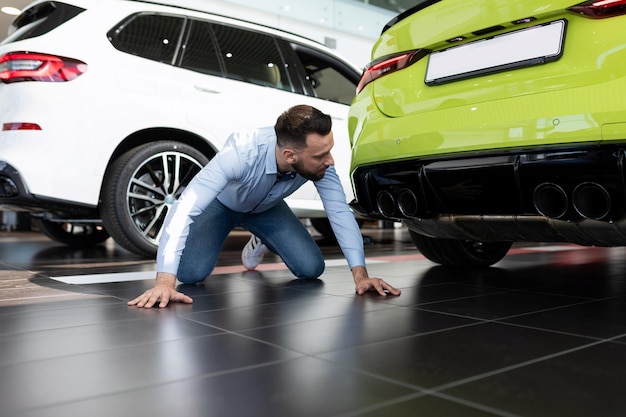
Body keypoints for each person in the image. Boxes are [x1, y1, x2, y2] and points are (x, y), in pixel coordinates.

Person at [129, 105, 401, 308]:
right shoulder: (240, 154)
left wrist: (360, 276)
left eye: (330, 150)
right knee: (190, 275)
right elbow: (184, 208)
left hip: (266, 209)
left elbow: (339, 212)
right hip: (222, 206)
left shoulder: (321, 165)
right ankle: (241, 235)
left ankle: (261, 238)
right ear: (289, 155)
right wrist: (165, 281)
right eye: (321, 155)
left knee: (310, 269)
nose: (329, 160)